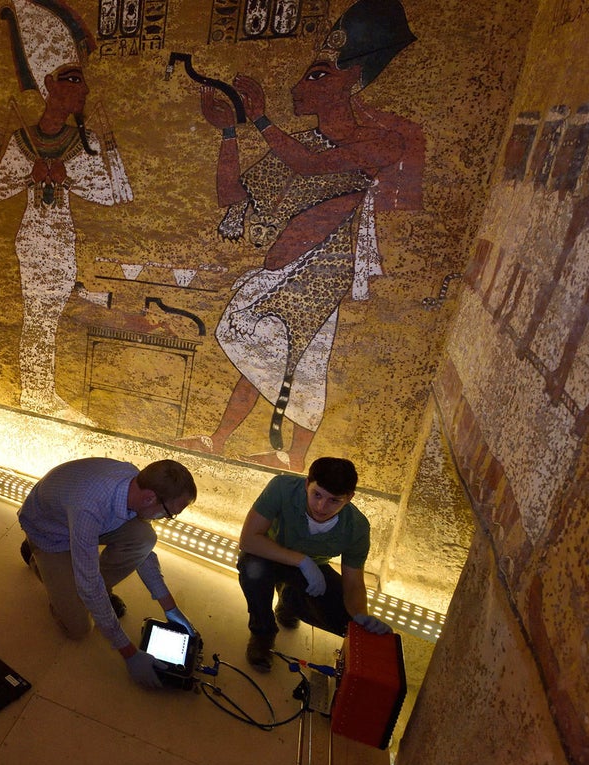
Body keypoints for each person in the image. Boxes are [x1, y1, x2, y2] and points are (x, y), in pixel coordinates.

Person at [176, 0, 422, 472]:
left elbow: (309, 167)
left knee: (285, 355)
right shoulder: (300, 145)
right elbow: (233, 193)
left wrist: (263, 119)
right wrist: (229, 130)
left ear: (351, 78)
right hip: (284, 273)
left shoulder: (380, 141)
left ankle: (277, 451)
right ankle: (240, 443)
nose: (299, 86)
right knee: (277, 357)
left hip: (320, 275)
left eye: (317, 75)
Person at [0, 0, 132, 418]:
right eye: (73, 79)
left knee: (50, 317)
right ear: (48, 84)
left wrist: (72, 176)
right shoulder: (22, 139)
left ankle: (40, 392)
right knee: (37, 318)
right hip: (33, 240)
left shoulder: (84, 140)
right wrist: (29, 174)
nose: (83, 89)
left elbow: (117, 192)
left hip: (62, 240)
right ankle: (35, 394)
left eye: (81, 79)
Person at [18, 458, 197, 689]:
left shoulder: (136, 486)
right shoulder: (89, 508)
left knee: (144, 537)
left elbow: (144, 551)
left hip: (83, 520)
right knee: (79, 627)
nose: (167, 519)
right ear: (150, 498)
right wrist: (129, 653)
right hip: (51, 532)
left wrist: (170, 608)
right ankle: (36, 557)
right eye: (169, 514)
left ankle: (69, 577)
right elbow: (90, 586)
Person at [237, 456, 392, 673]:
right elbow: (249, 540)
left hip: (315, 570)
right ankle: (262, 634)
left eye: (333, 501)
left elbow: (354, 583)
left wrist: (360, 616)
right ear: (306, 484)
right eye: (317, 495)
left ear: (349, 498)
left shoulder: (357, 527)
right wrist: (302, 561)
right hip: (271, 554)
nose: (321, 506)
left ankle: (289, 604)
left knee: (344, 622)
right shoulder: (282, 488)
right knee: (252, 567)